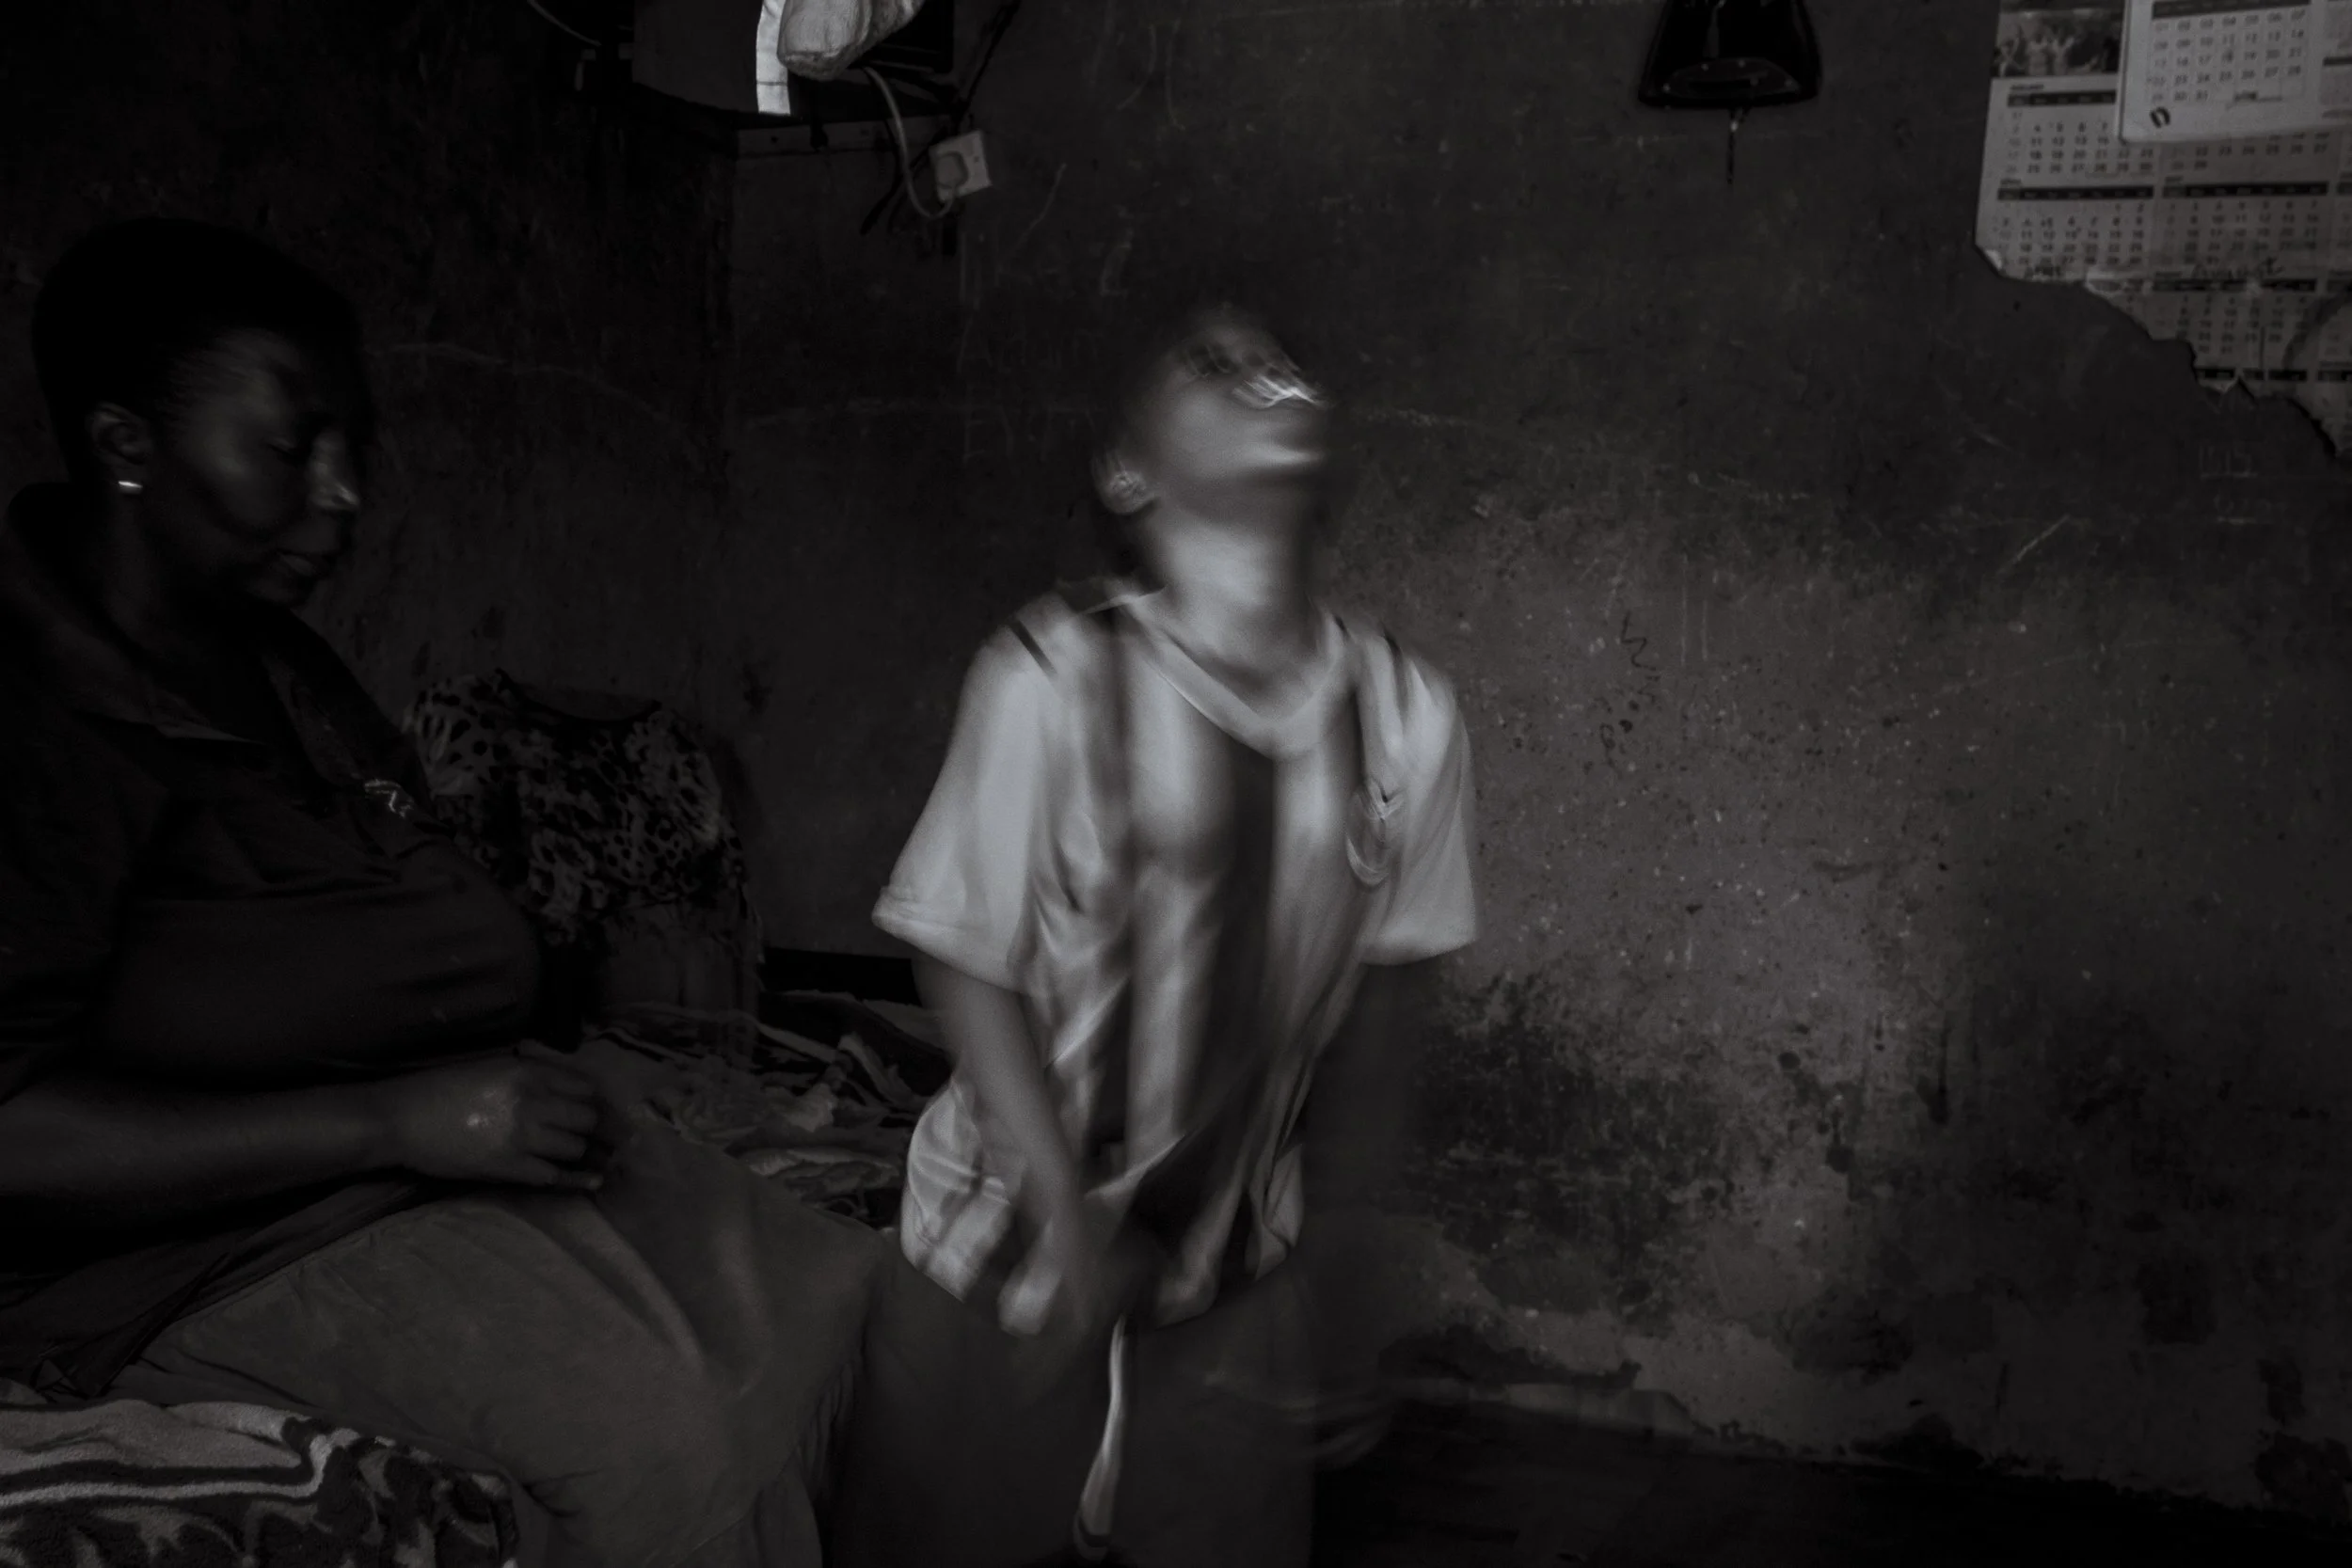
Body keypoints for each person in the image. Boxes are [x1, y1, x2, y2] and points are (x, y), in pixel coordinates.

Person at [0, 217, 882, 1568]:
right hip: (194, 1255)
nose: (346, 491)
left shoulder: (284, 670)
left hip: (416, 1163)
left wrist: (543, 1066)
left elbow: (378, 942)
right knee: (670, 1438)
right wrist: (391, 1117)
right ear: (125, 445)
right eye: (293, 446)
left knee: (838, 1303)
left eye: (354, 441)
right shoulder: (43, 708)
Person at [829, 308, 1479, 1568]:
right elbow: (964, 958)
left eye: (1275, 354)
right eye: (1204, 363)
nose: (1250, 351)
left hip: (1229, 1285)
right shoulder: (1049, 680)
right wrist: (1067, 1211)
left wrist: (1341, 1263)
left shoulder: (1408, 718)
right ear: (1131, 474)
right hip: (994, 1263)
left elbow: (1395, 998)